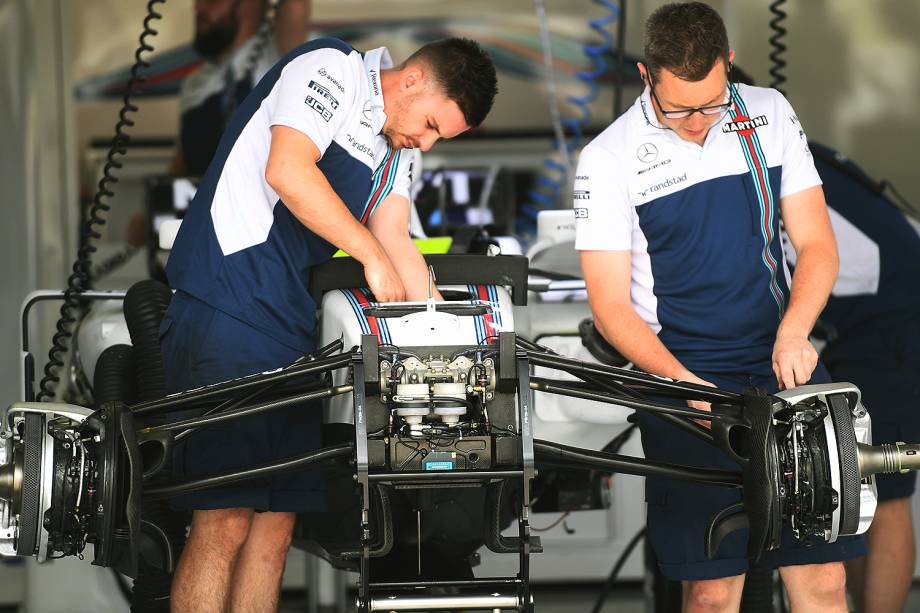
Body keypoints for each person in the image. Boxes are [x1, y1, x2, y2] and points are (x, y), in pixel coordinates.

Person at [159, 37, 497, 612]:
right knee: (224, 520)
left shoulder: (397, 149)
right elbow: (288, 168)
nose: (427, 141)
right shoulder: (330, 69)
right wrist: (366, 253)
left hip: (292, 325)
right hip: (226, 304)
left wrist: (450, 333)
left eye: (442, 137)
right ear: (412, 80)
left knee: (274, 529)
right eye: (432, 125)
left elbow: (397, 240)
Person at [574, 3, 864, 612]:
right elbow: (610, 311)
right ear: (645, 74)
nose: (698, 122)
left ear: (729, 66)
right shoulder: (607, 158)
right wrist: (685, 390)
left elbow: (816, 245)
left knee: (824, 577)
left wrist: (795, 333)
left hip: (782, 364)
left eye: (711, 103)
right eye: (679, 108)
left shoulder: (769, 113)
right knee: (711, 591)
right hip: (682, 377)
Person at [786, 142, 920, 613]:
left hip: (894, 319)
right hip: (845, 326)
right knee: (851, 487)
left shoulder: (779, 156)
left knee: (883, 484)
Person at [171, 0, 313, 176]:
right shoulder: (193, 83)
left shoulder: (278, 55)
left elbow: (295, 8)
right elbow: (181, 167)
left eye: (210, 1)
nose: (197, 8)